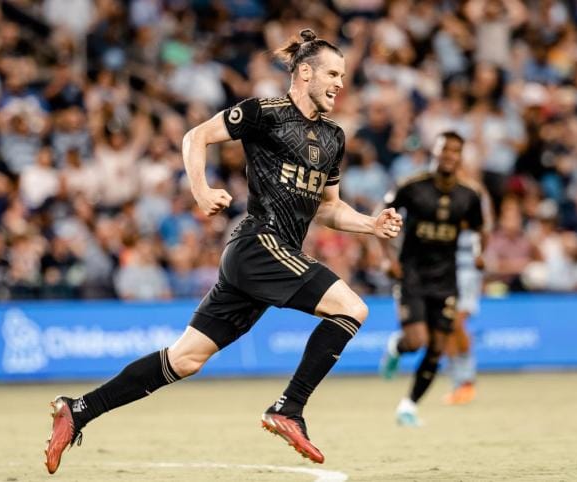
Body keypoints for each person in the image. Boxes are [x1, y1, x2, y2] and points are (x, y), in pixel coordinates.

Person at [44, 28, 403, 473]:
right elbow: (195, 137)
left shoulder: (334, 137)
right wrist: (200, 190)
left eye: (343, 76)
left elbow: (328, 208)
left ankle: (78, 410)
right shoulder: (264, 112)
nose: (340, 83)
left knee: (185, 359)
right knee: (352, 308)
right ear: (305, 73)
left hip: (268, 257)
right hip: (259, 244)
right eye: (333, 73)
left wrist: (370, 223)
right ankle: (289, 408)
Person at [378, 131, 485, 426]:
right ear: (434, 153)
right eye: (444, 149)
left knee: (437, 347)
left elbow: (479, 229)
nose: (449, 155)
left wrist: (479, 253)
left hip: (446, 279)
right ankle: (397, 347)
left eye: (455, 150)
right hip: (411, 274)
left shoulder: (469, 194)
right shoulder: (412, 186)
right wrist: (388, 258)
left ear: (460, 156)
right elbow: (382, 215)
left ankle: (408, 406)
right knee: (416, 341)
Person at [441, 175, 492, 405]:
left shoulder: (472, 200)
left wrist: (480, 254)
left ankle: (467, 378)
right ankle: (458, 382)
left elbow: (483, 229)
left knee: (457, 321)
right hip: (445, 269)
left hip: (467, 270)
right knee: (444, 326)